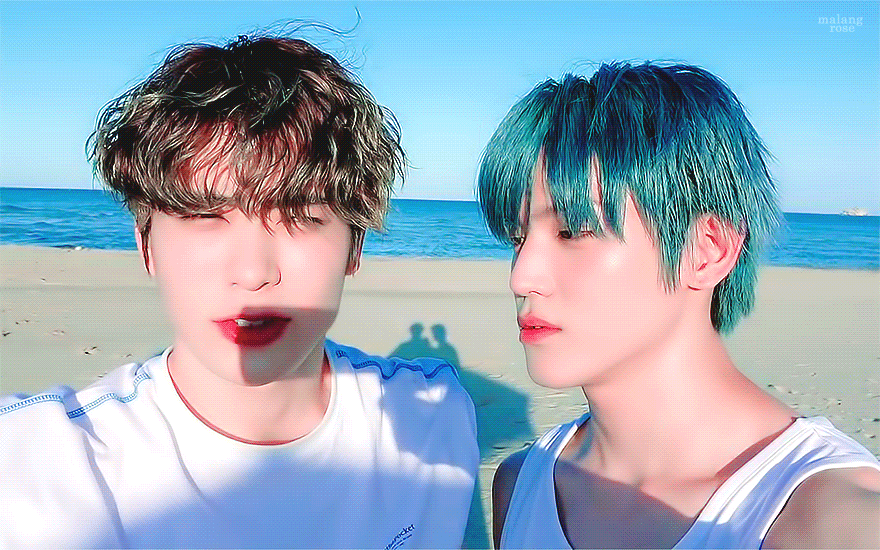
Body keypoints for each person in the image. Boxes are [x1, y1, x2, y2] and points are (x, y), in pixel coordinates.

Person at [0, 34, 478, 549]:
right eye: (204, 216)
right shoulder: (41, 461)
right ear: (147, 246)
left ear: (353, 246)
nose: (253, 273)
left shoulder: (434, 420)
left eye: (300, 217)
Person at [479, 62, 880, 549]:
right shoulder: (521, 485)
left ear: (707, 250)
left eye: (571, 232)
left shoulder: (834, 522)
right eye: (517, 238)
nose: (521, 277)